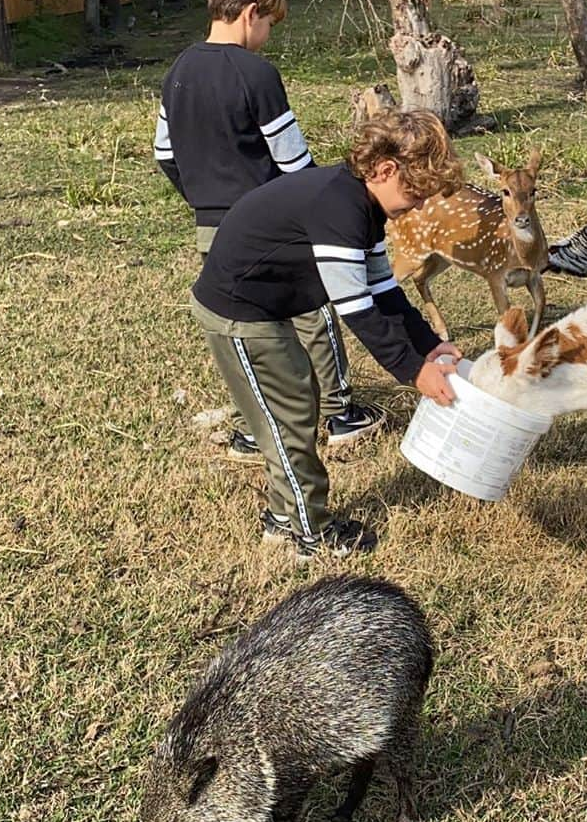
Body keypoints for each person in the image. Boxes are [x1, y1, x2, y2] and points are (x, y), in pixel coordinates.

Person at [191, 108, 464, 558]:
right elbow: (356, 309)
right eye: (416, 193)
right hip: (239, 310)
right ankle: (309, 531)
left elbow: (384, 292)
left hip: (267, 306)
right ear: (385, 169)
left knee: (297, 405)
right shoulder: (338, 208)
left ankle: (284, 519)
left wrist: (430, 346)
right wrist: (414, 372)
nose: (418, 206)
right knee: (290, 418)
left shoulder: (364, 208)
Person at [153, 0, 383, 454]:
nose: (269, 36)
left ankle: (249, 428)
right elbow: (294, 162)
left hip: (211, 229)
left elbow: (164, 154)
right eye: (270, 24)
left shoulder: (178, 70)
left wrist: (202, 198)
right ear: (250, 12)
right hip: (273, 223)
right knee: (314, 311)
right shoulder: (256, 75)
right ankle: (341, 413)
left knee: (240, 324)